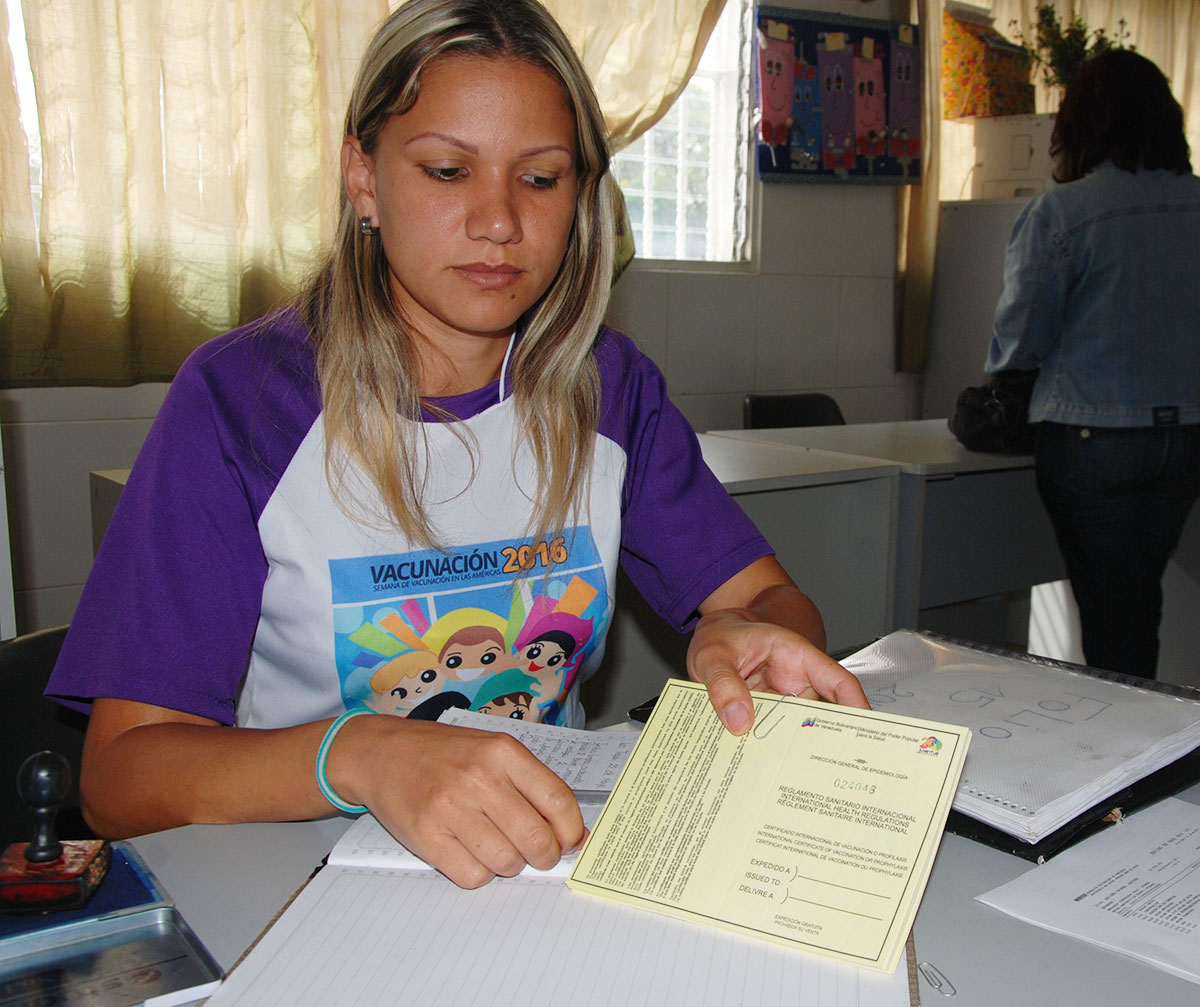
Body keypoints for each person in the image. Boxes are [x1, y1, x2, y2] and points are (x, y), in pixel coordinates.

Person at [46, 0, 868, 889]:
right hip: (295, 885)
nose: (500, 221)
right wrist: (360, 754)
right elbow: (119, 777)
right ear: (363, 178)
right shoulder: (240, 404)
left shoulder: (610, 389)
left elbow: (778, 604)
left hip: (539, 875)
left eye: (542, 179)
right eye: (446, 170)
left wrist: (742, 633)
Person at [986, 49, 1200, 679]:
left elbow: (1017, 344)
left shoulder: (1064, 213)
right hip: (1187, 435)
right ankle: (1149, 744)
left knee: (1111, 610)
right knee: (1139, 599)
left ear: (1078, 125)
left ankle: (1128, 763)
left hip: (1089, 436)